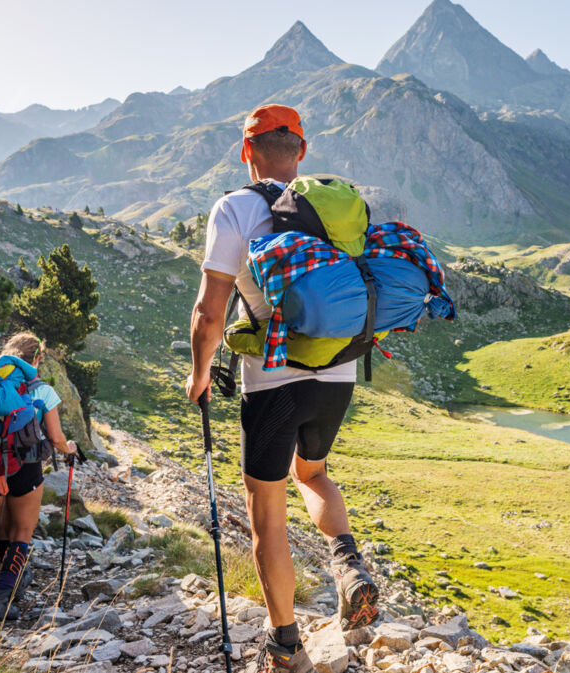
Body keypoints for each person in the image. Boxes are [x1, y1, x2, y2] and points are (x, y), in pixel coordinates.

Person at [185, 104, 380, 673]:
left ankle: (286, 643)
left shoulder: (235, 208)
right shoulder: (335, 210)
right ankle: (348, 563)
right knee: (313, 473)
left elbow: (208, 311)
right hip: (339, 370)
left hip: (272, 380)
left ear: (247, 151)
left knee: (266, 511)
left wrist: (200, 374)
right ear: (301, 151)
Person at [0, 331, 77, 621]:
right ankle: (2, 598)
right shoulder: (42, 391)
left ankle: (12, 576)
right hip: (25, 469)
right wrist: (69, 447)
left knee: (4, 527)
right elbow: (57, 438)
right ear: (36, 359)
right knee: (22, 532)